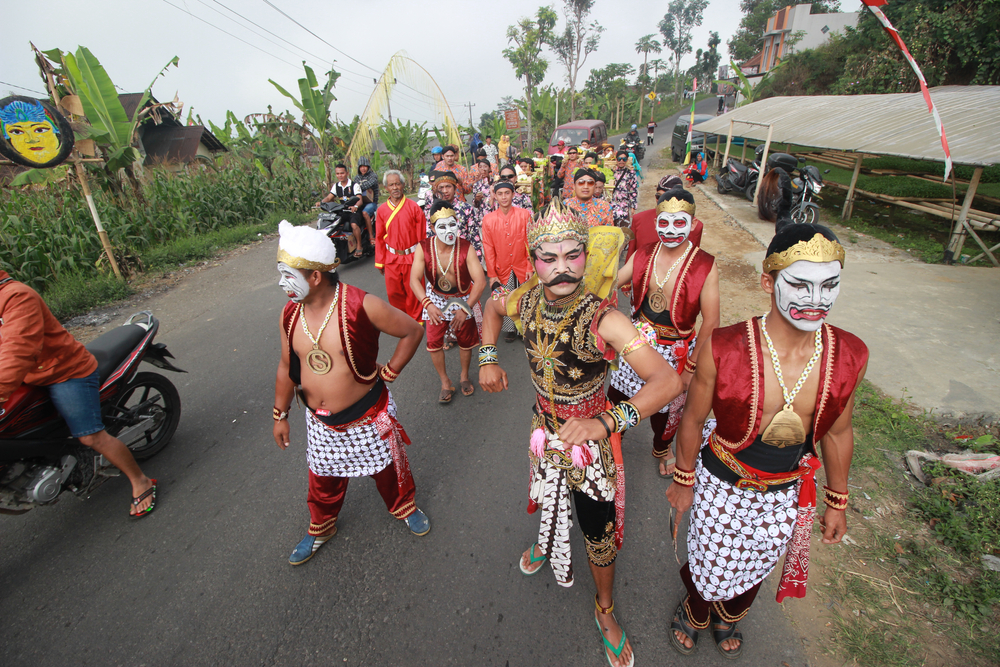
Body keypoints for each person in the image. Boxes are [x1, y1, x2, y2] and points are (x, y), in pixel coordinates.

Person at [479, 199, 681, 667]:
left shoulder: (603, 318)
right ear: (533, 262)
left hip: (591, 444)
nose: (561, 268)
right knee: (545, 492)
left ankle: (605, 609)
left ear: (586, 257)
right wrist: (488, 358)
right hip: (541, 431)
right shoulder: (524, 299)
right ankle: (546, 540)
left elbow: (667, 381)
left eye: (572, 255)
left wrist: (607, 422)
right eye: (548, 258)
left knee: (597, 530)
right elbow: (491, 309)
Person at [665, 224, 868, 658]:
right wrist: (684, 479)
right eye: (800, 284)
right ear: (767, 282)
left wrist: (837, 500)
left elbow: (838, 430)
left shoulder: (849, 354)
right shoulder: (725, 347)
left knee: (759, 564)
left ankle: (729, 615)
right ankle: (696, 609)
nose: (817, 300)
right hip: (723, 478)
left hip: (786, 487)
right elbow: (693, 416)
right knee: (710, 562)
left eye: (830, 285)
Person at [273, 221, 430, 566]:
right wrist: (280, 414)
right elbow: (287, 366)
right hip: (320, 422)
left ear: (315, 276)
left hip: (367, 414)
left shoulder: (362, 305)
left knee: (389, 468)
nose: (281, 283)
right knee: (322, 479)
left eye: (288, 274)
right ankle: (322, 526)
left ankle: (404, 506)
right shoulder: (289, 313)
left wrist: (389, 373)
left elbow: (412, 331)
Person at [0, 270, 158, 517]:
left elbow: (17, 351)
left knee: (90, 436)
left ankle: (141, 481)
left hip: (65, 371)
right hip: (28, 376)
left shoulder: (16, 297)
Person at [612, 189, 720, 478]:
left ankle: (661, 447)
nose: (670, 231)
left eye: (679, 223)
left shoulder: (705, 265)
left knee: (667, 409)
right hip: (637, 340)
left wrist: (691, 368)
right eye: (664, 223)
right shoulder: (644, 253)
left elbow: (711, 322)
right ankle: (613, 438)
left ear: (694, 224)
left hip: (677, 348)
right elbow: (613, 281)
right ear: (656, 220)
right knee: (618, 393)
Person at [409, 201, 486, 404]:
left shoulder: (466, 247)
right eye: (442, 227)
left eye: (452, 225)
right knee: (433, 344)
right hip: (434, 298)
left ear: (457, 223)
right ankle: (445, 382)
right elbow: (414, 280)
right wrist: (428, 304)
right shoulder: (423, 248)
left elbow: (480, 282)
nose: (449, 231)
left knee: (466, 341)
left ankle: (463, 376)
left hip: (462, 298)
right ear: (432, 228)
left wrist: (465, 308)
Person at [481, 181, 533, 343]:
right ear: (495, 196)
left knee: (525, 297)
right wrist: (492, 275)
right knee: (506, 297)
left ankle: (525, 329)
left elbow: (530, 242)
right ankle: (510, 329)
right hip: (501, 266)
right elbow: (488, 249)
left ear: (513, 194)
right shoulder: (488, 220)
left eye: (507, 193)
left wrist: (530, 266)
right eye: (500, 194)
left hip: (522, 264)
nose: (504, 197)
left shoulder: (524, 215)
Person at [375, 170, 427, 322]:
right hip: (391, 258)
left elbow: (422, 237)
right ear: (386, 188)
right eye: (391, 185)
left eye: (398, 183)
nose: (395, 187)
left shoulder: (414, 207)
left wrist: (422, 259)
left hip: (412, 256)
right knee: (394, 292)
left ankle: (417, 320)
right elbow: (379, 237)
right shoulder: (382, 210)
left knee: (414, 291)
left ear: (403, 185)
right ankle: (402, 320)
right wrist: (380, 261)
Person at [629, 176, 704, 254]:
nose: (661, 202)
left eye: (667, 199)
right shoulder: (639, 219)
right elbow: (631, 257)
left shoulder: (696, 226)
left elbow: (693, 258)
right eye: (658, 197)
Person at [423, 170, 481, 261]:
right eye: (441, 187)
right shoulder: (432, 212)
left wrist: (477, 263)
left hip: (464, 259)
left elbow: (474, 238)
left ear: (455, 188)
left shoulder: (466, 209)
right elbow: (430, 238)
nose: (445, 191)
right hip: (441, 260)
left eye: (448, 186)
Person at [317, 163, 370, 259]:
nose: (340, 175)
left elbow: (359, 199)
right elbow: (329, 197)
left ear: (347, 173)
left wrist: (355, 207)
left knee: (354, 225)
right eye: (337, 174)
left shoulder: (354, 185)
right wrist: (321, 202)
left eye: (342, 173)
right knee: (332, 224)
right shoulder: (336, 186)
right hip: (343, 210)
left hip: (354, 211)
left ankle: (359, 245)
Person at [355, 156, 380, 250]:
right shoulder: (357, 177)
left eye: (365, 166)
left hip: (371, 203)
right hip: (360, 202)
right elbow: (355, 187)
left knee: (365, 213)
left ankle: (371, 236)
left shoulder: (373, 176)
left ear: (368, 166)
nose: (363, 168)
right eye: (361, 166)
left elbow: (367, 184)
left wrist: (358, 186)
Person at [609, 150, 639, 227]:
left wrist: (633, 206)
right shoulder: (612, 171)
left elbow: (633, 190)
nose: (621, 161)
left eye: (624, 159)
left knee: (624, 228)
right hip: (612, 204)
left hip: (624, 205)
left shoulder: (631, 173)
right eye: (619, 159)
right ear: (616, 160)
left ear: (627, 160)